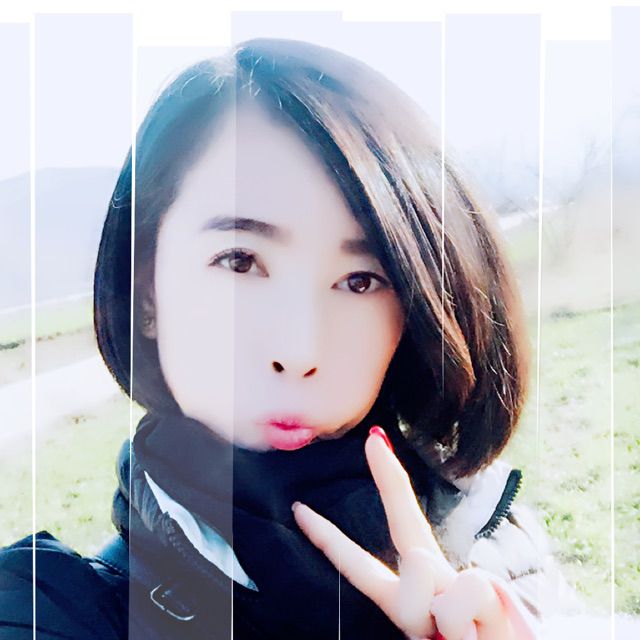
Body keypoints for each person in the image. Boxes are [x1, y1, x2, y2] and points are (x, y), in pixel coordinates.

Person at [0, 38, 582, 639]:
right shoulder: (51, 609)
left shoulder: (493, 532)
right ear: (147, 290)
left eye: (361, 280)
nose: (299, 352)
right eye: (239, 260)